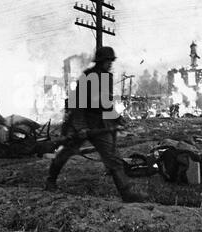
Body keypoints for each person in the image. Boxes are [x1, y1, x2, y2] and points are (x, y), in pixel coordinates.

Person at [44, 46, 149, 203]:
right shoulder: (87, 77)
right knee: (65, 152)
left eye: (111, 61)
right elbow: (77, 104)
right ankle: (50, 181)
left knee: (113, 158)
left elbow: (105, 103)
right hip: (81, 122)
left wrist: (117, 118)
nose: (110, 64)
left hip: (99, 124)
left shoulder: (107, 77)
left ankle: (127, 194)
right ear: (100, 61)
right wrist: (81, 128)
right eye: (108, 61)